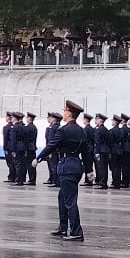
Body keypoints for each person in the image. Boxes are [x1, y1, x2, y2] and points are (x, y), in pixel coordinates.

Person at [44, 97, 89, 241]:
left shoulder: (63, 130)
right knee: (62, 197)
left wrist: (38, 158)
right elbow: (86, 152)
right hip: (76, 166)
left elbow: (52, 145)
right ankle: (63, 227)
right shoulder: (81, 131)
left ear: (69, 113)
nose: (63, 113)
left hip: (67, 166)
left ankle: (76, 231)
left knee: (69, 200)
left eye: (64, 110)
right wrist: (89, 170)